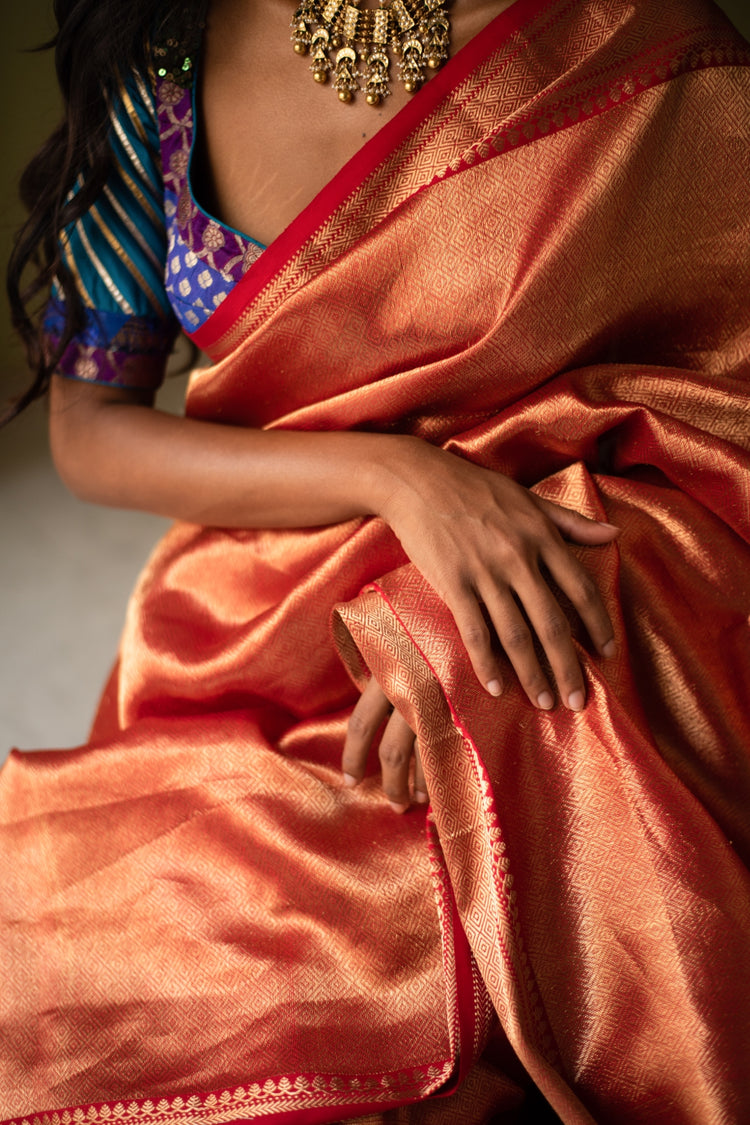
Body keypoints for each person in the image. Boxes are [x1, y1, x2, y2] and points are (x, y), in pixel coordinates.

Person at [2, 0, 750, 1120]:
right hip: (266, 642)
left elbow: (725, 404)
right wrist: (401, 482)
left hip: (581, 621)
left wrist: (454, 649)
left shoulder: (623, 40)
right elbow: (91, 432)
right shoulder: (162, 55)